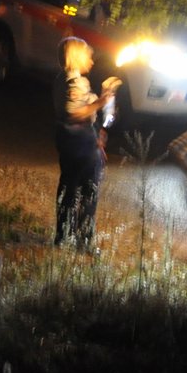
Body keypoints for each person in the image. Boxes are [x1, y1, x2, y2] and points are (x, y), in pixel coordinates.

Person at [53, 37, 121, 250]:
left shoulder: (66, 80)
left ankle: (65, 237)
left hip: (76, 143)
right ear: (76, 57)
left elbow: (84, 111)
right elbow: (73, 113)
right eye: (88, 57)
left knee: (70, 189)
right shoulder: (74, 83)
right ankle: (82, 240)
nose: (92, 62)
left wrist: (99, 125)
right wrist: (101, 102)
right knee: (86, 191)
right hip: (79, 145)